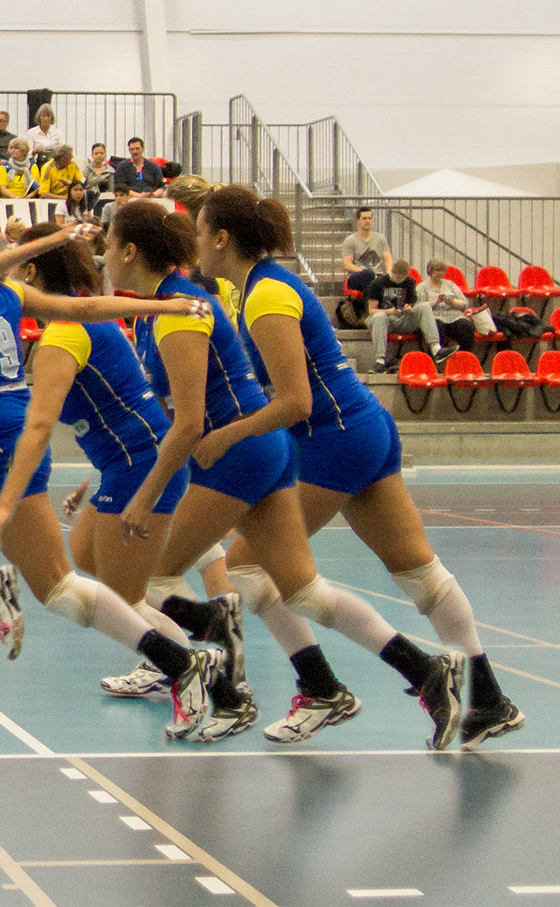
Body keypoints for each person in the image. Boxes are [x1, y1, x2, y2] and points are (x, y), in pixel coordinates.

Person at [99, 202, 457, 744]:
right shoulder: (163, 308)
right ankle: (407, 673)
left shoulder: (180, 310)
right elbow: (175, 415)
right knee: (295, 587)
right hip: (263, 447)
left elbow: (191, 422)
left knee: (148, 577)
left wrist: (144, 494)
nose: (102, 255)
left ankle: (225, 683)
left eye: (107, 244)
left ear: (130, 252)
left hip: (241, 449)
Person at [192, 186, 517, 749]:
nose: (195, 242)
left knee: (246, 566)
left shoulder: (266, 297)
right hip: (363, 426)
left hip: (334, 435)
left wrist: (226, 436)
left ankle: (339, 686)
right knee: (420, 573)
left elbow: (297, 402)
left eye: (200, 231)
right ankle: (488, 700)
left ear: (222, 239)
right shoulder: (259, 285)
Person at [0, 208, 204, 699]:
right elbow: (85, 310)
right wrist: (164, 306)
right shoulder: (8, 293)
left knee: (58, 589)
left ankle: (181, 664)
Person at [0, 222, 225, 737]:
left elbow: (40, 426)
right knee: (87, 557)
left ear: (32, 273)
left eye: (15, 264)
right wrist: (90, 481)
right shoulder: (78, 318)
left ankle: (192, 666)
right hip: (124, 460)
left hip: (141, 462)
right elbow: (111, 405)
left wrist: (5, 504)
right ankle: (201, 628)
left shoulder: (64, 334)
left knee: (120, 597)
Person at [366, 255, 451, 371]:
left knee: (424, 306)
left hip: (401, 318)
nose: (399, 280)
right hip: (384, 319)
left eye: (402, 278)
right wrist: (389, 311)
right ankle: (380, 360)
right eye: (397, 277)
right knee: (379, 316)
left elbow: (411, 304)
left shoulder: (409, 282)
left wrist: (408, 308)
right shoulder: (378, 283)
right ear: (392, 272)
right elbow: (371, 310)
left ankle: (436, 348)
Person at [420, 259, 491, 352]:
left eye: (443, 270)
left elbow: (464, 303)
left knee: (466, 326)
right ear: (431, 271)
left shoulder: (450, 284)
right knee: (437, 328)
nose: (441, 273)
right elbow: (420, 307)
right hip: (434, 316)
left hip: (454, 316)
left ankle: (464, 355)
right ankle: (436, 356)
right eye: (438, 270)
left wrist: (452, 302)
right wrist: (436, 302)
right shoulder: (422, 287)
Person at [340, 207, 392, 299]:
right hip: (356, 276)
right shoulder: (350, 240)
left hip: (377, 276)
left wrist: (389, 274)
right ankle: (370, 306)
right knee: (369, 275)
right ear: (358, 221)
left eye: (369, 218)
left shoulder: (380, 239)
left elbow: (388, 258)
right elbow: (347, 264)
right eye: (364, 218)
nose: (367, 221)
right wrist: (364, 271)